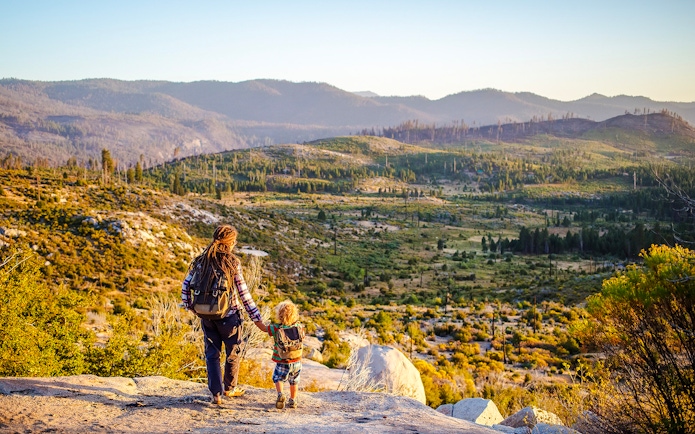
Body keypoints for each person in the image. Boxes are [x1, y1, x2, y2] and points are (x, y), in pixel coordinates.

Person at [181, 225, 265, 405]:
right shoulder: (232, 262)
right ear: (231, 243)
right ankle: (230, 388)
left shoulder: (200, 261)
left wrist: (192, 308)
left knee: (212, 354)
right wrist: (257, 318)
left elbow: (185, 285)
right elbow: (243, 293)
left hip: (206, 316)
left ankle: (216, 395)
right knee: (233, 351)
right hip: (229, 316)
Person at [257, 299, 304, 409]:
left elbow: (264, 328)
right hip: (296, 360)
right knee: (294, 381)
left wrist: (256, 320)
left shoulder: (276, 328)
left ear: (279, 315)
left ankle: (280, 394)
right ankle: (293, 400)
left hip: (282, 360)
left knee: (278, 378)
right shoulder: (299, 327)